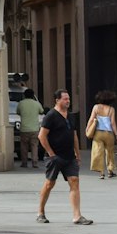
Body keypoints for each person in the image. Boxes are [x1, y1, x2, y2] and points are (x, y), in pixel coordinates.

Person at [37, 88, 92, 225]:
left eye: (68, 99)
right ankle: (40, 212)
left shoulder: (71, 116)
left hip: (69, 157)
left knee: (74, 181)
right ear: (57, 100)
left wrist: (78, 154)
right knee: (50, 183)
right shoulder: (51, 116)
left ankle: (77, 216)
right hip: (55, 156)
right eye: (65, 99)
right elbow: (41, 136)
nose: (68, 101)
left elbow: (74, 135)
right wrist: (51, 154)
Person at [85, 90, 117, 179]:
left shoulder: (96, 107)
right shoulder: (111, 109)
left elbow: (91, 119)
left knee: (98, 152)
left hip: (98, 133)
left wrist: (87, 128)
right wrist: (116, 135)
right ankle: (110, 171)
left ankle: (101, 172)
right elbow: (113, 123)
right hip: (109, 133)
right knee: (110, 152)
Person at [18, 88, 44, 168]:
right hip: (35, 128)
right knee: (34, 146)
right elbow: (42, 111)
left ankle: (24, 163)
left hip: (24, 128)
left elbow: (18, 112)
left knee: (24, 146)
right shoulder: (36, 104)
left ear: (24, 95)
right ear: (33, 95)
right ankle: (35, 163)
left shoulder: (21, 103)